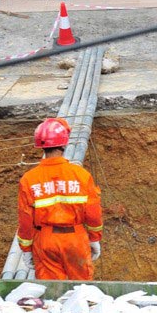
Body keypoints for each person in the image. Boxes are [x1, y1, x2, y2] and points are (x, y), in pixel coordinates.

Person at [17, 118, 103, 280]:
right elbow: (93, 213)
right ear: (64, 143)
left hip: (46, 241)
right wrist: (94, 239)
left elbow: (25, 219)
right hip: (75, 240)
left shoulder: (29, 179)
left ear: (41, 145)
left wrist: (26, 248)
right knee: (81, 290)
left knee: (53, 294)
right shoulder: (81, 176)